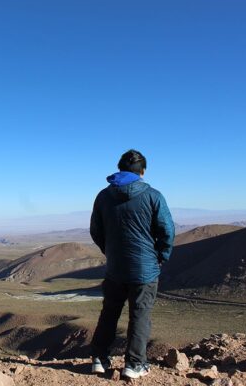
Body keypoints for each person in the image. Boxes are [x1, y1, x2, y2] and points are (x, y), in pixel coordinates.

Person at [89, 149, 175, 379]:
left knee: (109, 312)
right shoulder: (153, 195)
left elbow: (96, 230)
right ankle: (134, 364)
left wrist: (110, 252)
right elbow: (167, 230)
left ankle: (99, 358)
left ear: (120, 169)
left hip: (116, 267)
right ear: (143, 171)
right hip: (145, 268)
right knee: (140, 315)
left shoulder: (103, 196)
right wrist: (160, 256)